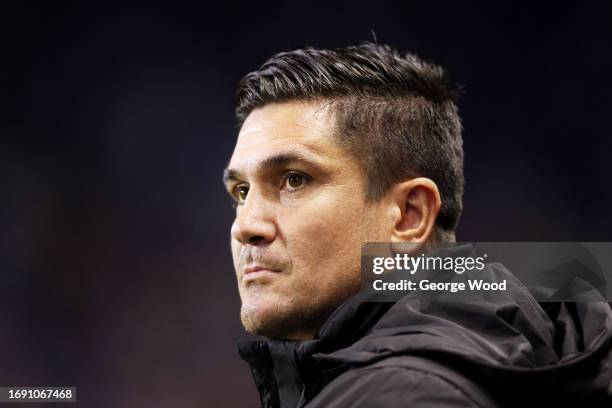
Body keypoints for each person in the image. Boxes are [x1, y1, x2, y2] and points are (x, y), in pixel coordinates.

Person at [222, 43, 612, 407]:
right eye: (241, 191)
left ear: (410, 215)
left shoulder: (393, 395)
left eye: (294, 179)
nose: (246, 225)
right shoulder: (512, 349)